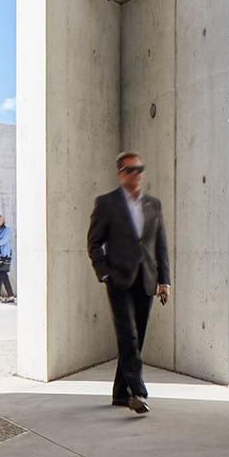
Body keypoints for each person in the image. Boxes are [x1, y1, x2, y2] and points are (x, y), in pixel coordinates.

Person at [86, 151, 170, 413]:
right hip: (119, 280)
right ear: (120, 173)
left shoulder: (153, 204)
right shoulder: (106, 203)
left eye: (140, 169)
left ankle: (120, 393)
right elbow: (94, 243)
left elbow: (161, 246)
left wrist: (165, 281)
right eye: (131, 169)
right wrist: (105, 272)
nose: (137, 173)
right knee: (128, 336)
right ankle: (138, 393)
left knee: (138, 338)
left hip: (146, 279)